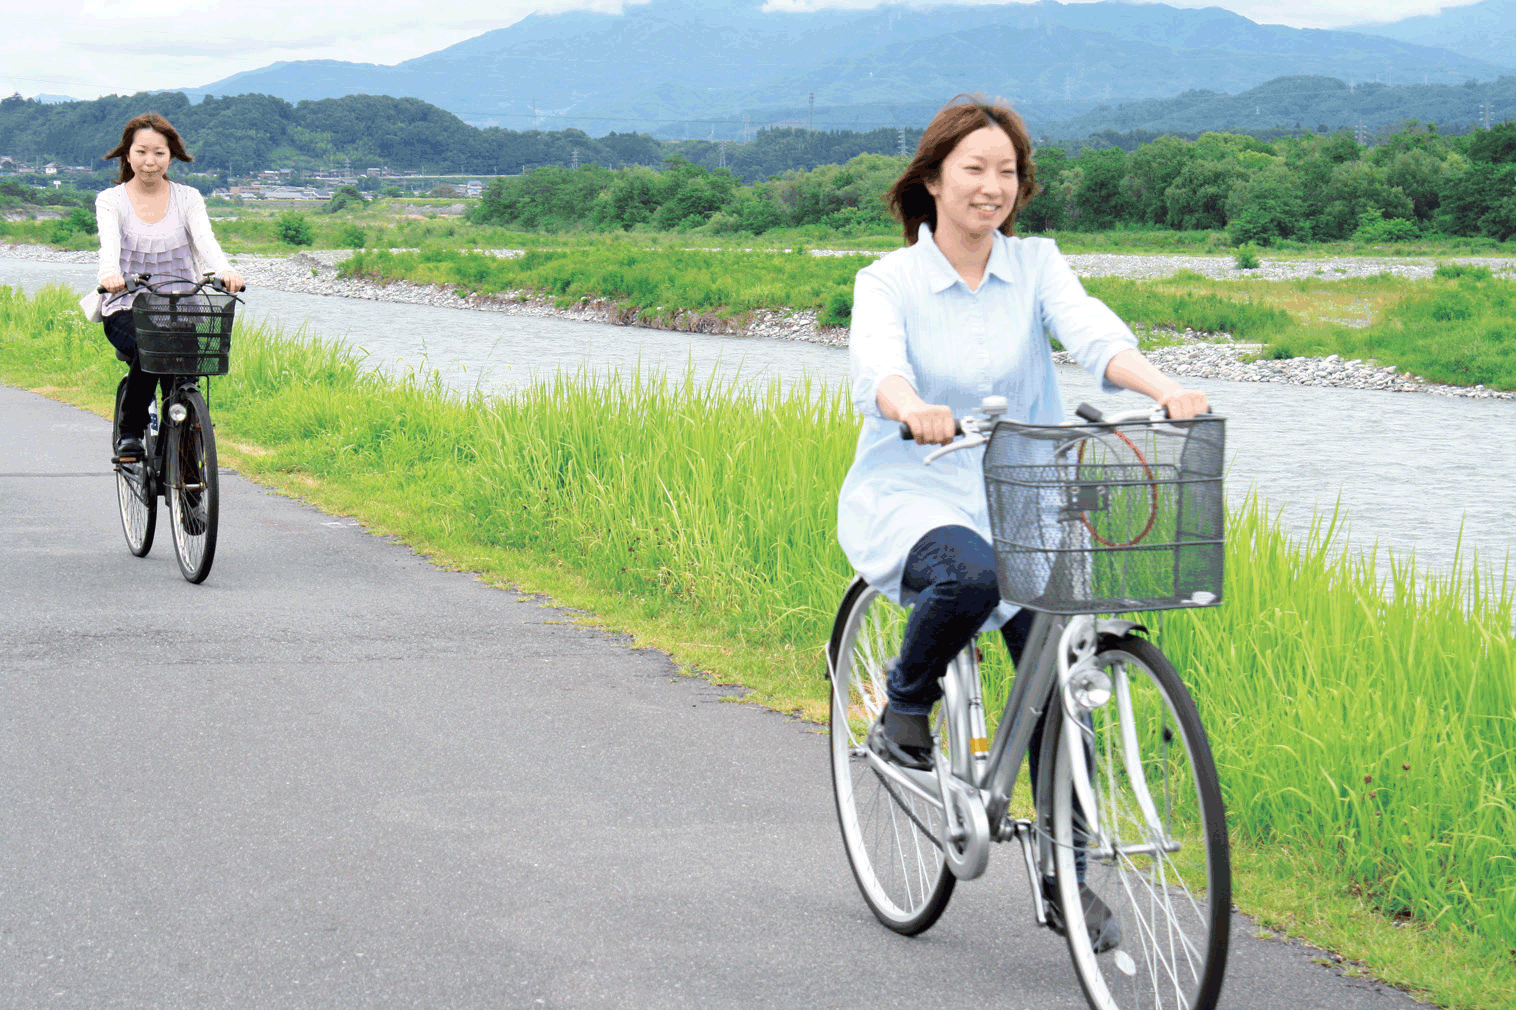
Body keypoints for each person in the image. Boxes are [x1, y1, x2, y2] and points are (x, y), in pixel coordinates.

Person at [837, 96, 1210, 950]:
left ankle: (1067, 881)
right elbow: (878, 368)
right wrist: (912, 407)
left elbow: (1091, 333)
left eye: (1007, 171)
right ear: (931, 179)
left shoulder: (1035, 264)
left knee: (1060, 690)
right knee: (969, 573)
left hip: (1026, 489)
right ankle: (906, 707)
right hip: (918, 483)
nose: (993, 186)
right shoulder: (887, 281)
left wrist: (1161, 390)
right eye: (974, 168)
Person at [94, 112, 243, 461]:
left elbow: (205, 239)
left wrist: (224, 269)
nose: (150, 162)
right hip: (128, 305)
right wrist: (109, 275)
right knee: (149, 352)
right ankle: (129, 433)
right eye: (142, 152)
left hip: (181, 304)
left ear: (171, 156)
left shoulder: (188, 197)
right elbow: (109, 246)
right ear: (127, 154)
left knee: (183, 382)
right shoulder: (111, 200)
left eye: (159, 153)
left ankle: (190, 475)